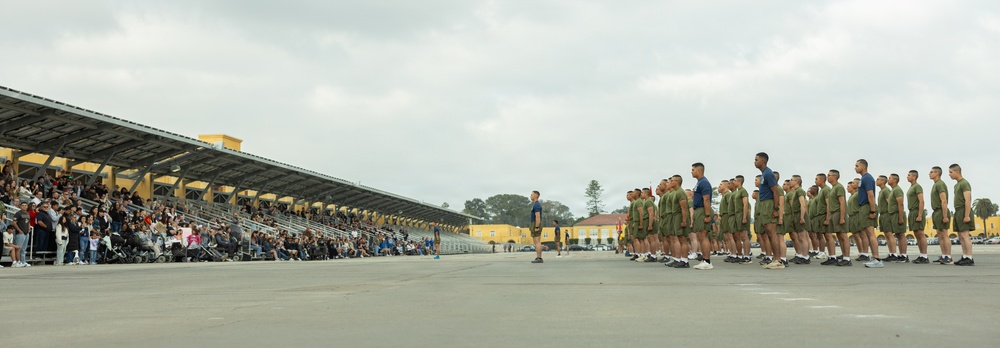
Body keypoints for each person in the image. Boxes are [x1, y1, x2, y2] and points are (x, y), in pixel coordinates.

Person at [755, 153, 784, 270]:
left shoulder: (768, 173)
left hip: (769, 204)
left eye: (756, 160)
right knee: (768, 233)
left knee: (772, 233)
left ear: (763, 161)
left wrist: (775, 209)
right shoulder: (764, 174)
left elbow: (775, 191)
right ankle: (774, 258)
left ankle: (778, 260)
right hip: (764, 204)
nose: (754, 162)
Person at [856, 159, 884, 268]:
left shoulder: (867, 178)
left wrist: (872, 211)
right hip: (864, 207)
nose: (855, 168)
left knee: (871, 233)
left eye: (857, 166)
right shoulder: (863, 178)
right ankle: (874, 258)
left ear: (863, 167)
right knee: (868, 233)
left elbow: (870, 195)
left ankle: (876, 259)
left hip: (868, 206)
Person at [949, 164, 975, 266]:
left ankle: (969, 257)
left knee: (965, 235)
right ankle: (964, 256)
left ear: (957, 172)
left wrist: (967, 215)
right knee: (960, 235)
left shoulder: (964, 183)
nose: (949, 174)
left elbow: (968, 200)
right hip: (958, 211)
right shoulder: (957, 185)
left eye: (951, 172)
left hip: (963, 210)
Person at [690, 163, 714, 270]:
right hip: (699, 210)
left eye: (693, 170)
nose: (691, 172)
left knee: (703, 236)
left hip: (703, 210)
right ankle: (704, 260)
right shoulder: (699, 182)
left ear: (699, 171)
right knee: (700, 236)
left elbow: (706, 199)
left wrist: (707, 215)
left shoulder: (704, 182)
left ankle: (707, 261)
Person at [929, 166, 952, 264]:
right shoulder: (935, 185)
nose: (929, 174)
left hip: (941, 211)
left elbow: (944, 200)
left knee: (944, 234)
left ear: (937, 173)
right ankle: (943, 256)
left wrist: (945, 215)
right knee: (939, 234)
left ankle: (948, 257)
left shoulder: (940, 184)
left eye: (931, 172)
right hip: (936, 211)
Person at [827, 170, 851, 266]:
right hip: (834, 214)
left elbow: (842, 202)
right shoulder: (833, 188)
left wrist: (842, 217)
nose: (827, 177)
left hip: (838, 213)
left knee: (843, 236)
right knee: (839, 236)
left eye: (829, 175)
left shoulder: (839, 187)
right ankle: (844, 256)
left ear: (834, 176)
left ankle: (847, 258)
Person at [906, 170, 929, 264]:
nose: (907, 177)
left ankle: (925, 256)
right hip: (912, 212)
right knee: (916, 234)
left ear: (914, 177)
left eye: (909, 175)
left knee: (920, 234)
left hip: (916, 211)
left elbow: (921, 201)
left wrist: (919, 215)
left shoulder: (917, 187)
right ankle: (921, 255)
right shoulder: (911, 187)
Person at [887, 174, 909, 263]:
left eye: (890, 178)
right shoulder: (893, 190)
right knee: (898, 235)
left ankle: (904, 255)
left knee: (901, 235)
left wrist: (900, 218)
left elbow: (900, 204)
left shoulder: (897, 190)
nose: (888, 180)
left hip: (897, 214)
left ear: (895, 180)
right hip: (893, 214)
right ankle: (901, 254)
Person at [13, 202, 31, 267]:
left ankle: (23, 261)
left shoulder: (27, 213)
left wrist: (29, 228)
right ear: (20, 206)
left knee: (23, 249)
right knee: (18, 248)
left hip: (26, 233)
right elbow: (14, 223)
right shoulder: (18, 213)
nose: (24, 206)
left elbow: (28, 222)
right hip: (20, 233)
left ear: (27, 206)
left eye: (25, 205)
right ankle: (18, 261)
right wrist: (19, 230)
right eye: (22, 205)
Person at [529, 191, 543, 264]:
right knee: (536, 241)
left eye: (532, 195)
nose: (530, 196)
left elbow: (538, 217)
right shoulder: (535, 205)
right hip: (534, 223)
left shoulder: (537, 205)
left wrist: (536, 226)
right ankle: (538, 257)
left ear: (535, 196)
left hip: (536, 223)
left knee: (537, 241)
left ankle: (539, 258)